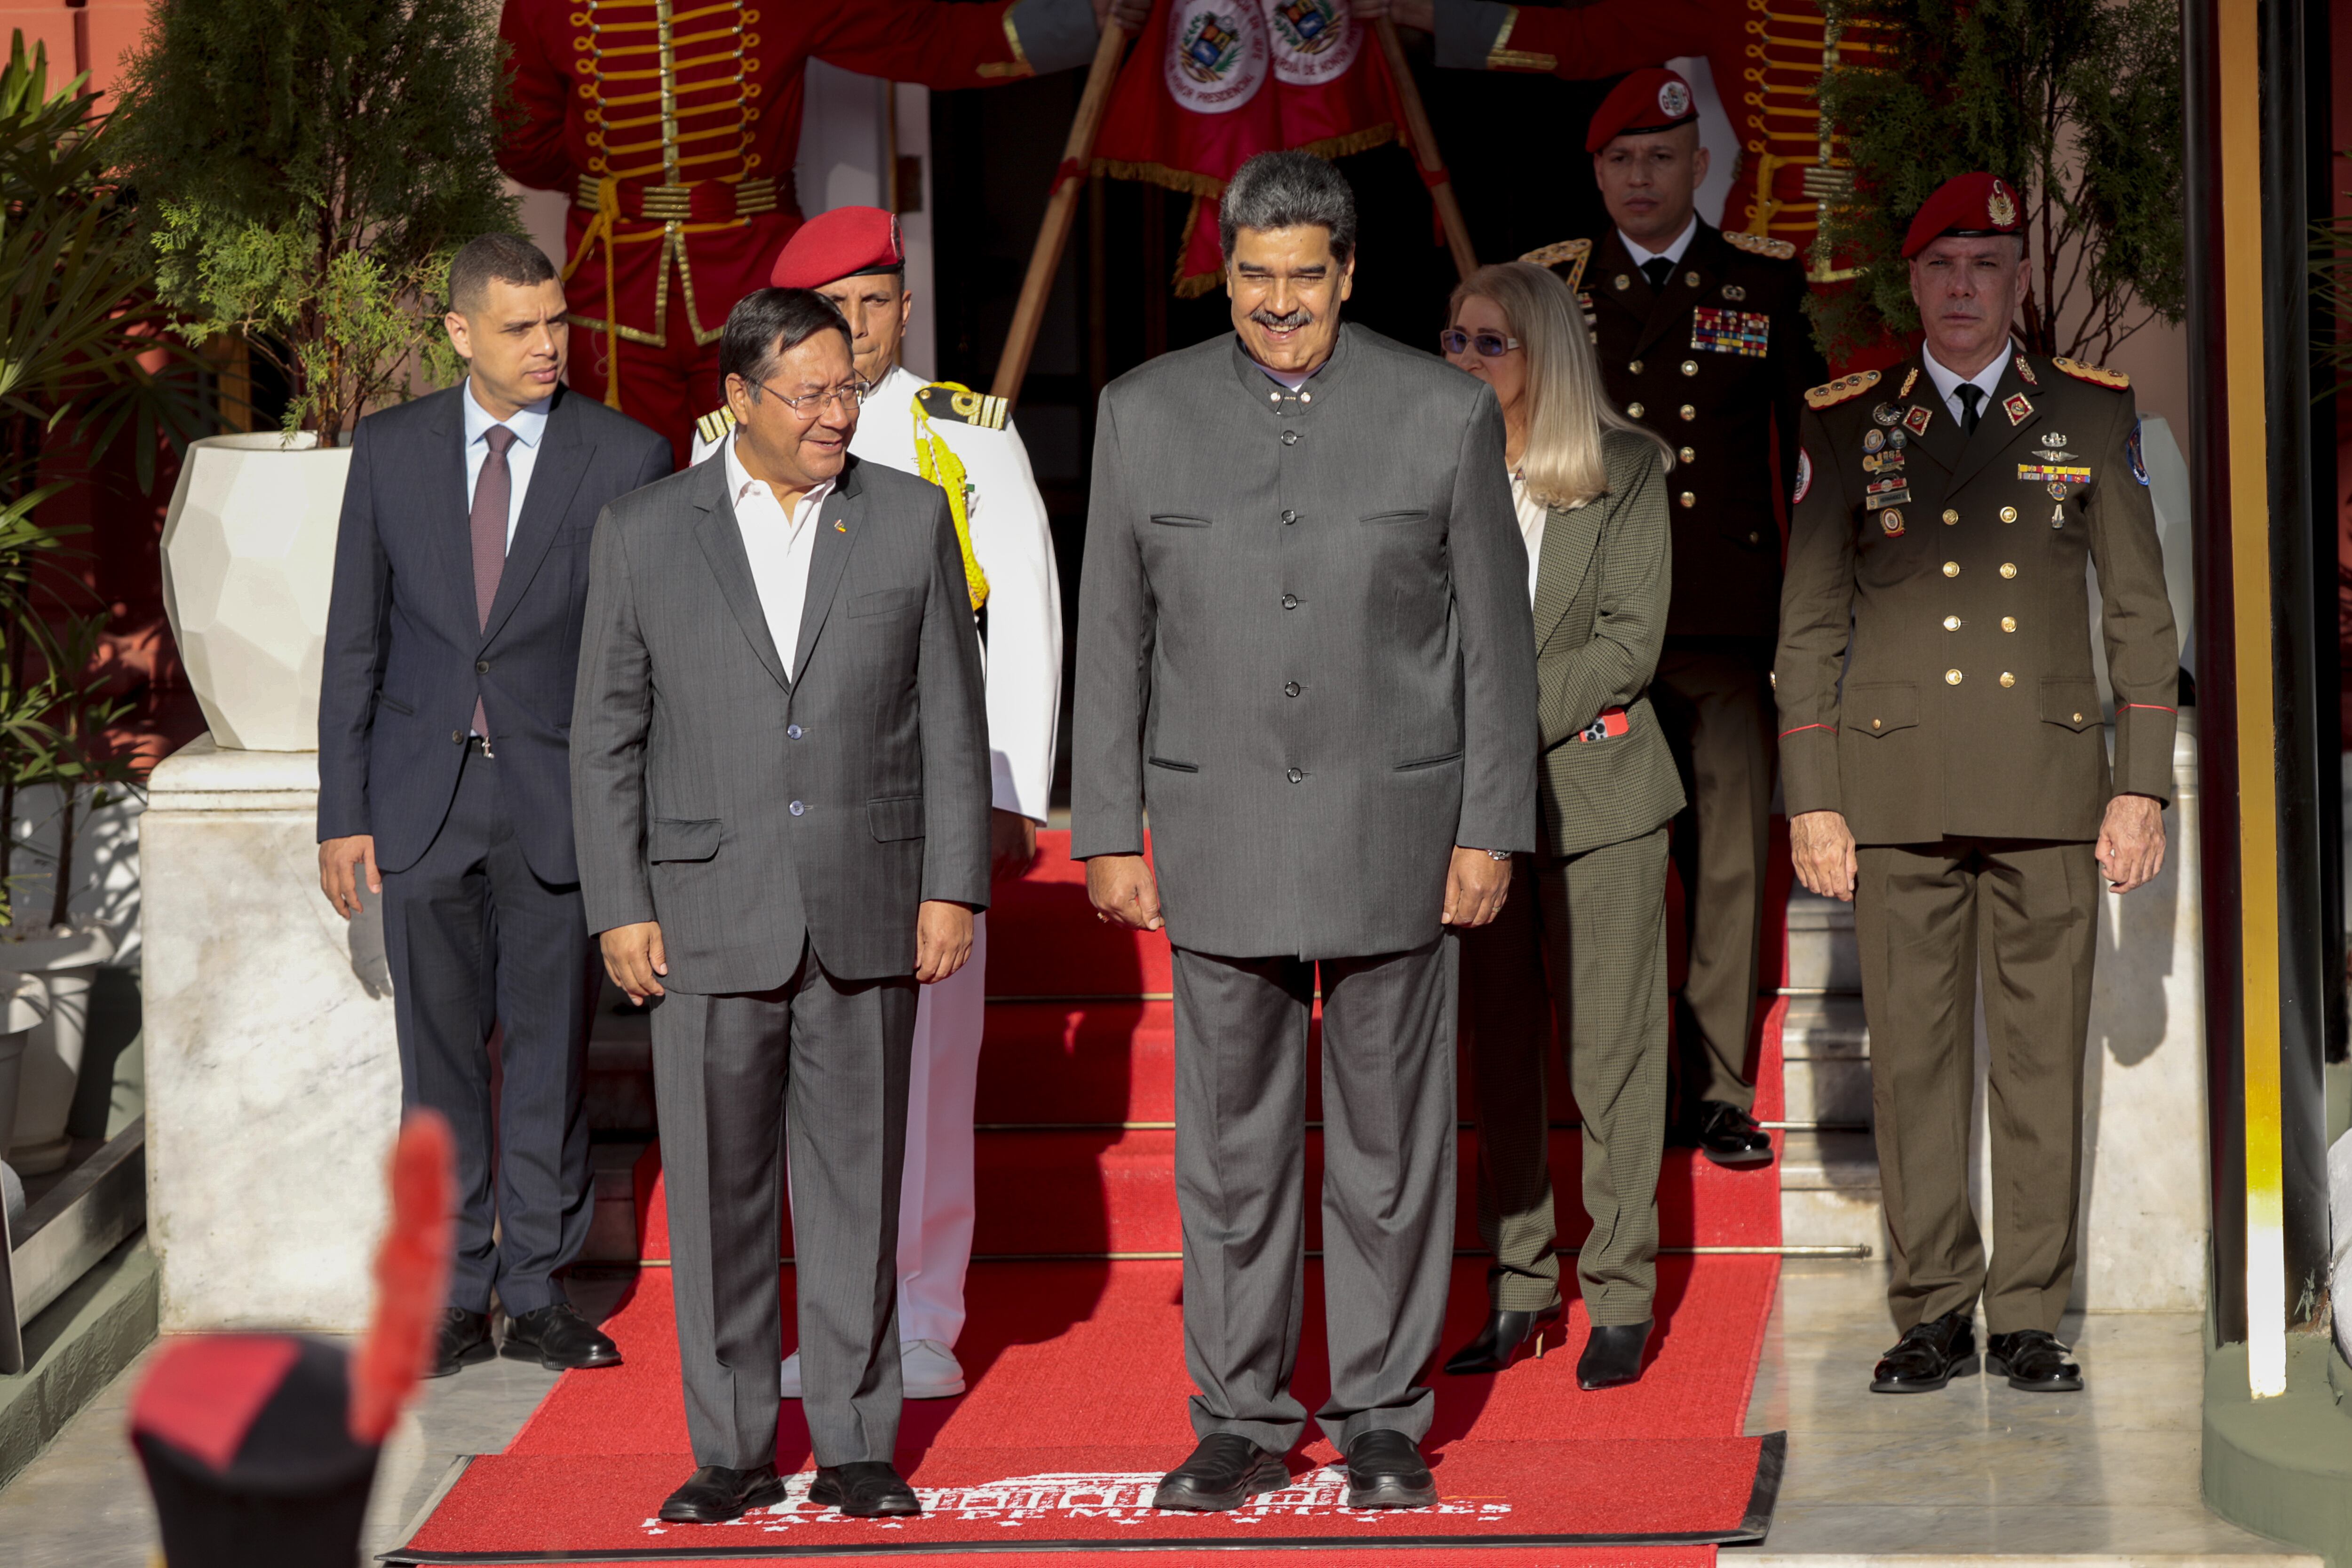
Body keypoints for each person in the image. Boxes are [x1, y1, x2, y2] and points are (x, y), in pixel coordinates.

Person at [1072, 150, 1538, 1512]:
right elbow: (1115, 632)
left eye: (1305, 278)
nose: (1279, 303)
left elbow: (1496, 653)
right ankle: (1239, 1416)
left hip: (1399, 830)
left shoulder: (1443, 412)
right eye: (1255, 276)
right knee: (1228, 1156)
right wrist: (1109, 825)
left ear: (1349, 274)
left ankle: (1385, 1415)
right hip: (1216, 835)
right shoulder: (1138, 413)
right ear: (1227, 271)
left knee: (1393, 1153)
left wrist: (1489, 825)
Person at [571, 288, 991, 1523]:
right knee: (715, 1199)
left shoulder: (908, 519)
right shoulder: (645, 530)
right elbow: (606, 738)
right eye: (806, 393)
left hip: (867, 904)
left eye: (846, 386)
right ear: (737, 400)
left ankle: (861, 1441)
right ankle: (735, 1446)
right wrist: (620, 903)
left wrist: (951, 883)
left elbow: (952, 731)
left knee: (858, 1190)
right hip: (703, 914)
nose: (835, 413)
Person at [1775, 173, 2176, 1396]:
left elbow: (2143, 612)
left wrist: (2142, 781)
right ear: (1913, 282)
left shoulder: (2091, 416)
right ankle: (1935, 1308)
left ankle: (2031, 1314)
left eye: (1988, 264)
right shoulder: (1848, 425)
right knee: (1912, 1059)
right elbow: (1809, 619)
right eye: (1943, 264)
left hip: (2052, 780)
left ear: (2019, 282)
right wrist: (1813, 791)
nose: (1964, 286)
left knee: (2042, 1058)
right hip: (1894, 789)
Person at [690, 206, 1063, 1402]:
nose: (853, 333)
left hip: (924, 802)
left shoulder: (966, 438)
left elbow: (1023, 625)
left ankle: (924, 1309)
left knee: (929, 1069)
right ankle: (835, 1314)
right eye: (831, 309)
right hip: (787, 809)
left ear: (906, 307)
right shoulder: (729, 439)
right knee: (808, 1079)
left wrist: (1008, 793)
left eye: (873, 304)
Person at [317, 234, 672, 1380]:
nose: (547, 347)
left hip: (554, 801)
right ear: (461, 333)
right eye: (520, 329)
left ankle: (539, 1286)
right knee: (438, 1063)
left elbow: (641, 658)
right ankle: (456, 1292)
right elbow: (355, 642)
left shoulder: (624, 456)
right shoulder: (390, 451)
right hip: (421, 801)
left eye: (557, 323)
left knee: (552, 1052)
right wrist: (342, 808)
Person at [1512, 67, 1823, 1167]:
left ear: (1703, 169)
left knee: (1731, 862)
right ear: (1594, 174)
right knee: (1611, 865)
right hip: (1593, 632)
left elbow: (1812, 467)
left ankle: (1721, 1089)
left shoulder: (1766, 286)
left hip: (1720, 625)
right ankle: (1622, 1087)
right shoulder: (1551, 289)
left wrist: (1810, 622)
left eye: (1660, 157)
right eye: (1618, 159)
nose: (1639, 177)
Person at [496, 0, 1148, 455]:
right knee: (626, 493)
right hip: (614, 296)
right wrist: (620, 192)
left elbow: (922, 36)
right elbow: (520, 141)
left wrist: (1077, 20)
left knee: (775, 486)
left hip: (759, 288)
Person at [1435, 262, 1685, 1387]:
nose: (1468, 360)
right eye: (1456, 340)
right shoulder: (1433, 471)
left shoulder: (1625, 469)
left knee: (1611, 1055)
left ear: (1545, 356)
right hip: (1474, 815)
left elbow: (1628, 645)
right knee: (1499, 1060)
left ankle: (1619, 1293)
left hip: (1601, 803)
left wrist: (1488, 720)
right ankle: (1519, 1287)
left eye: (1493, 343)